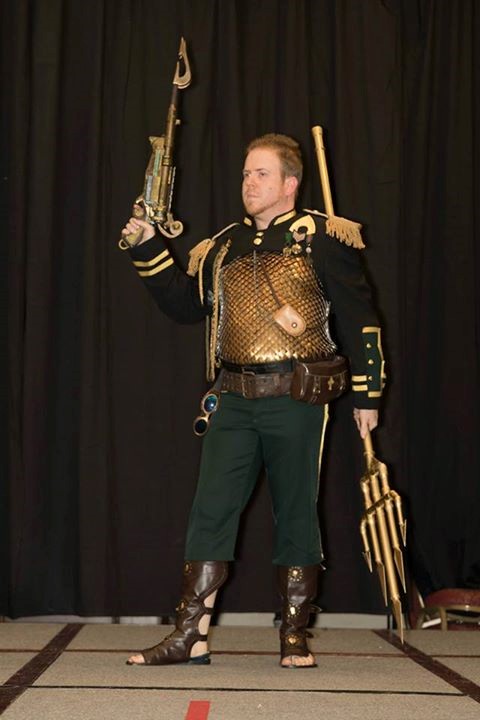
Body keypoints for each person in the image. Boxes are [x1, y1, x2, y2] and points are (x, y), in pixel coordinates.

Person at [121, 133, 384, 669]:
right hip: (233, 398)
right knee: (210, 509)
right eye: (246, 174)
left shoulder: (323, 237)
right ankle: (190, 635)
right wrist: (148, 246)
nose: (250, 183)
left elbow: (360, 318)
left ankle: (294, 633)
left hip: (296, 396)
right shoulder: (224, 245)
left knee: (296, 511)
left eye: (261, 174)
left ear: (290, 183)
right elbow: (186, 306)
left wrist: (367, 392)